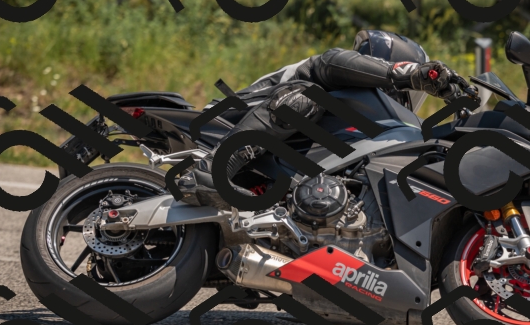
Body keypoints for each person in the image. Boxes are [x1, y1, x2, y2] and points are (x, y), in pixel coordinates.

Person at [179, 29, 477, 210]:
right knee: (308, 98)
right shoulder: (335, 75)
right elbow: (328, 62)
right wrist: (405, 74)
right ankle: (214, 168)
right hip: (229, 121)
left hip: (271, 156)